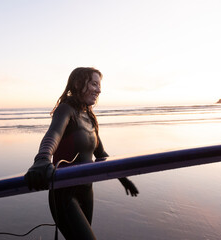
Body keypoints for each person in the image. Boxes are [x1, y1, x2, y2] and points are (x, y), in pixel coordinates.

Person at [24, 67, 139, 240]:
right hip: (64, 193)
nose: (99, 90)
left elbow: (101, 154)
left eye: (99, 85)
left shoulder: (90, 117)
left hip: (86, 191)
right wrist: (42, 159)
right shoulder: (66, 109)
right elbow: (53, 134)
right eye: (94, 84)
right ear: (78, 84)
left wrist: (123, 178)